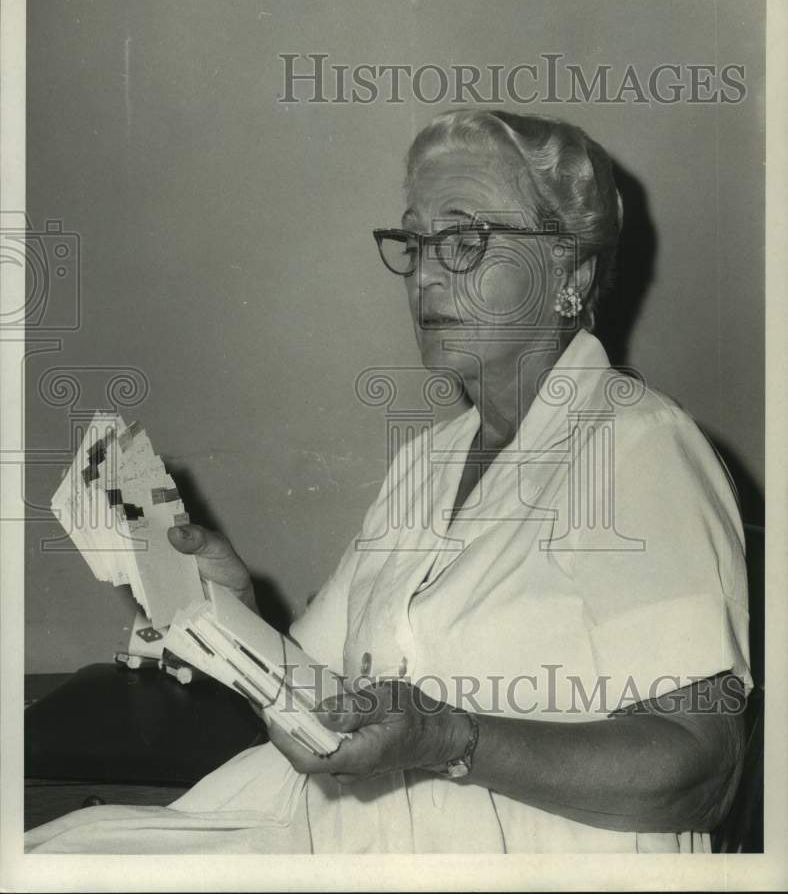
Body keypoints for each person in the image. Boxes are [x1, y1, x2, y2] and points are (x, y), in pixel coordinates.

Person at [26, 109, 751, 854]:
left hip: (522, 865)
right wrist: (223, 608)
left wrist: (450, 740)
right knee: (62, 851)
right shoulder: (428, 462)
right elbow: (318, 696)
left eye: (464, 239)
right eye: (414, 240)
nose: (427, 273)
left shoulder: (640, 446)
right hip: (340, 832)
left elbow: (702, 773)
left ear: (571, 271)